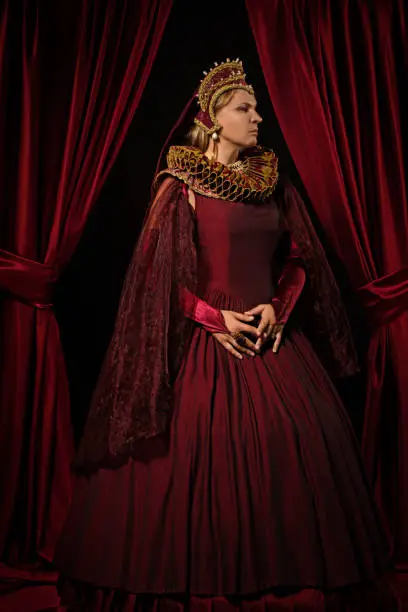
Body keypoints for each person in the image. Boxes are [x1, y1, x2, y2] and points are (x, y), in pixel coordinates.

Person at [55, 59, 396, 611]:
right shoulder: (181, 185)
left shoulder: (272, 181)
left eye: (256, 107)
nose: (258, 117)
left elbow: (298, 261)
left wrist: (278, 309)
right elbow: (155, 279)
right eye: (245, 108)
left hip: (269, 339)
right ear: (213, 119)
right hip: (204, 343)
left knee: (294, 450)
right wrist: (214, 319)